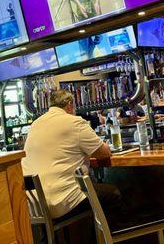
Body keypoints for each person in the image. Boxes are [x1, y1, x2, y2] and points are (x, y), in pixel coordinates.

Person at [22, 90, 121, 220]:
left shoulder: (35, 124)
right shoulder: (74, 122)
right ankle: (106, 239)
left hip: (34, 205)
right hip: (62, 201)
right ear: (69, 105)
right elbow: (104, 153)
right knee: (114, 193)